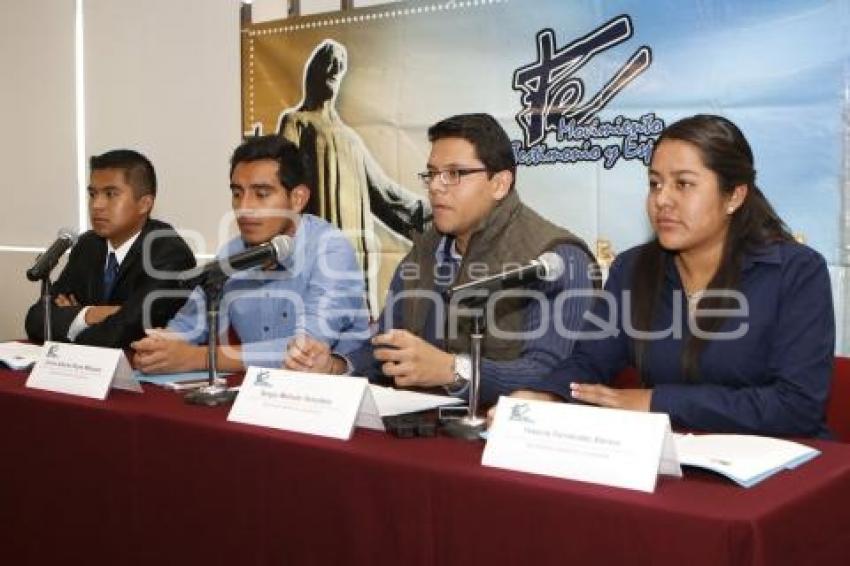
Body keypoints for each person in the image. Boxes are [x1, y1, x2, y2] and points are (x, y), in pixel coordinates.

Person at [535, 114, 835, 438]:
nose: (662, 199)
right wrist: (546, 396)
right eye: (655, 183)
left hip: (780, 466)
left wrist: (658, 401)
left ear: (733, 196)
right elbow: (589, 362)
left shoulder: (796, 272)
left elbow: (797, 407)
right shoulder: (633, 269)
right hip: (667, 460)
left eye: (684, 184)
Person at [285, 113, 597, 406]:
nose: (435, 187)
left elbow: (549, 375)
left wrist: (452, 370)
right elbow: (385, 347)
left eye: (454, 174)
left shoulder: (556, 257)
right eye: (432, 174)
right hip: (419, 429)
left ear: (500, 183)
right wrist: (336, 366)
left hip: (499, 441)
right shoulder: (426, 246)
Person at [132, 135, 369, 373]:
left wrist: (198, 358)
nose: (244, 207)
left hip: (335, 395)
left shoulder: (330, 249)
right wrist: (159, 347)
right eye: (237, 194)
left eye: (262, 194)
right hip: (261, 392)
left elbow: (304, 352)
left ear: (297, 199)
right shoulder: (233, 253)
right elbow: (188, 324)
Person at [277, 39, 431, 317]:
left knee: (353, 333)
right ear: (315, 72)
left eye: (340, 66)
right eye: (329, 63)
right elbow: (281, 185)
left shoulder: (350, 139)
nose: (335, 69)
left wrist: (428, 213)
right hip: (315, 251)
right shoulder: (297, 122)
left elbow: (384, 195)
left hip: (353, 251)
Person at [25, 149, 195, 349]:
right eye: (92, 194)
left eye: (110, 194)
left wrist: (72, 318)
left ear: (144, 204)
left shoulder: (168, 253)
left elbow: (124, 333)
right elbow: (36, 320)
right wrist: (91, 314)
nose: (96, 205)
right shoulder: (88, 245)